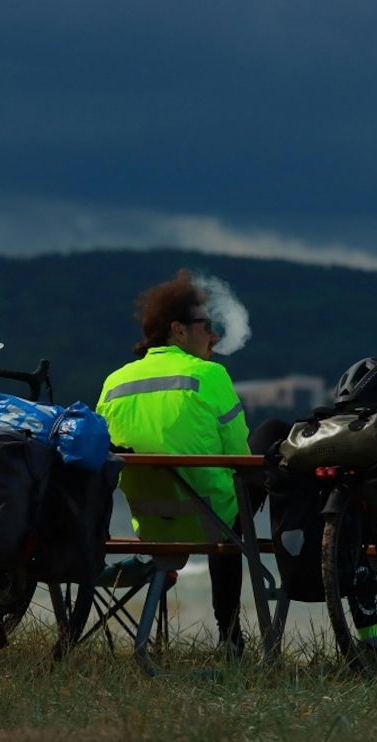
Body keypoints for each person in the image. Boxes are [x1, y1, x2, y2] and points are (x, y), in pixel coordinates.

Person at [96, 270, 258, 656]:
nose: (214, 336)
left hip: (150, 521)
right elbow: (241, 455)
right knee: (253, 474)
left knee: (227, 511)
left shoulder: (114, 382)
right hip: (210, 519)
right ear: (179, 331)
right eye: (207, 326)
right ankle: (230, 635)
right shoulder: (208, 375)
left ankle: (167, 585)